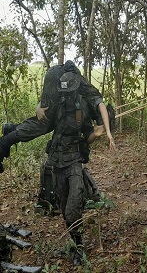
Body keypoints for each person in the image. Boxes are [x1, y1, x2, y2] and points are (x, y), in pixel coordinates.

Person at [0, 60, 115, 172]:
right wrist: (108, 132)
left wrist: (40, 106)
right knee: (45, 122)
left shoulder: (81, 93)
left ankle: (12, 129)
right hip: (55, 77)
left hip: (55, 74)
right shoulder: (87, 90)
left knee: (47, 119)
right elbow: (101, 106)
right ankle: (5, 142)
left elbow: (51, 102)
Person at [47, 70, 101, 266]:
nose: (67, 95)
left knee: (73, 206)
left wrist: (95, 134)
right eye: (65, 92)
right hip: (56, 162)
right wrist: (38, 108)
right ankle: (75, 239)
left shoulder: (82, 109)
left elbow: (87, 137)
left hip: (74, 162)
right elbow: (43, 119)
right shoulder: (56, 104)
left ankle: (79, 246)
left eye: (70, 92)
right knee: (63, 208)